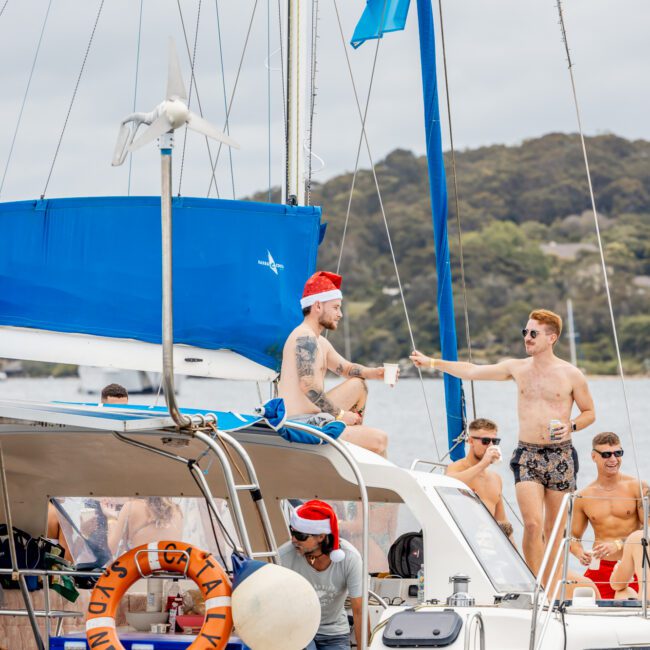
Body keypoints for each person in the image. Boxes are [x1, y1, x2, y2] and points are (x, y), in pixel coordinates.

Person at [410, 308, 595, 575]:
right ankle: (536, 584)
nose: (527, 338)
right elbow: (472, 371)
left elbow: (590, 413)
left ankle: (552, 583)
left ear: (551, 337)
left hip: (560, 455)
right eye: (525, 332)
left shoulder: (571, 374)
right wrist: (432, 363)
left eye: (533, 333)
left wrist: (571, 425)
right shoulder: (517, 368)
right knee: (532, 524)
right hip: (527, 454)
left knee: (554, 530)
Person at [278, 271, 389, 455]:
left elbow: (346, 369)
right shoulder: (304, 337)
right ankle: (358, 453)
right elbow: (309, 386)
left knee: (358, 384)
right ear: (318, 306)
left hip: (314, 416)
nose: (340, 314)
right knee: (379, 441)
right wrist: (341, 415)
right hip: (300, 423)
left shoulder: (318, 340)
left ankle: (354, 437)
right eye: (336, 307)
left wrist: (376, 373)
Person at [569, 431, 647, 599]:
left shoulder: (637, 488)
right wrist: (579, 553)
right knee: (579, 602)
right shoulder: (583, 496)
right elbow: (573, 537)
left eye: (618, 453)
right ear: (593, 457)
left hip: (631, 565)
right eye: (606, 454)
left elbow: (648, 532)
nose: (613, 459)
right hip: (599, 567)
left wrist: (618, 544)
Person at [279, 500, 365, 650]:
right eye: (293, 532)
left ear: (321, 536)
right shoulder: (282, 556)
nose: (293, 539)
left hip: (335, 632)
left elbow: (359, 611)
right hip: (298, 630)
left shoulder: (350, 558)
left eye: (300, 535)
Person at [445, 418, 512, 540]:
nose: (491, 446)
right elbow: (449, 484)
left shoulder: (495, 479)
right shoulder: (456, 468)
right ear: (471, 441)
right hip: (461, 539)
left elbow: (502, 521)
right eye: (485, 441)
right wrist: (484, 464)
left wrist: (514, 556)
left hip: (487, 543)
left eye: (495, 441)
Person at [107, 497, 183, 556]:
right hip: (170, 573)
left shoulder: (131, 506)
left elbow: (112, 549)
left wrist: (111, 519)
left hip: (142, 572)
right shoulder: (177, 511)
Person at [610, 529, 650, 600]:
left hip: (647, 606)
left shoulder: (637, 537)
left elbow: (617, 585)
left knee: (622, 592)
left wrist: (616, 573)